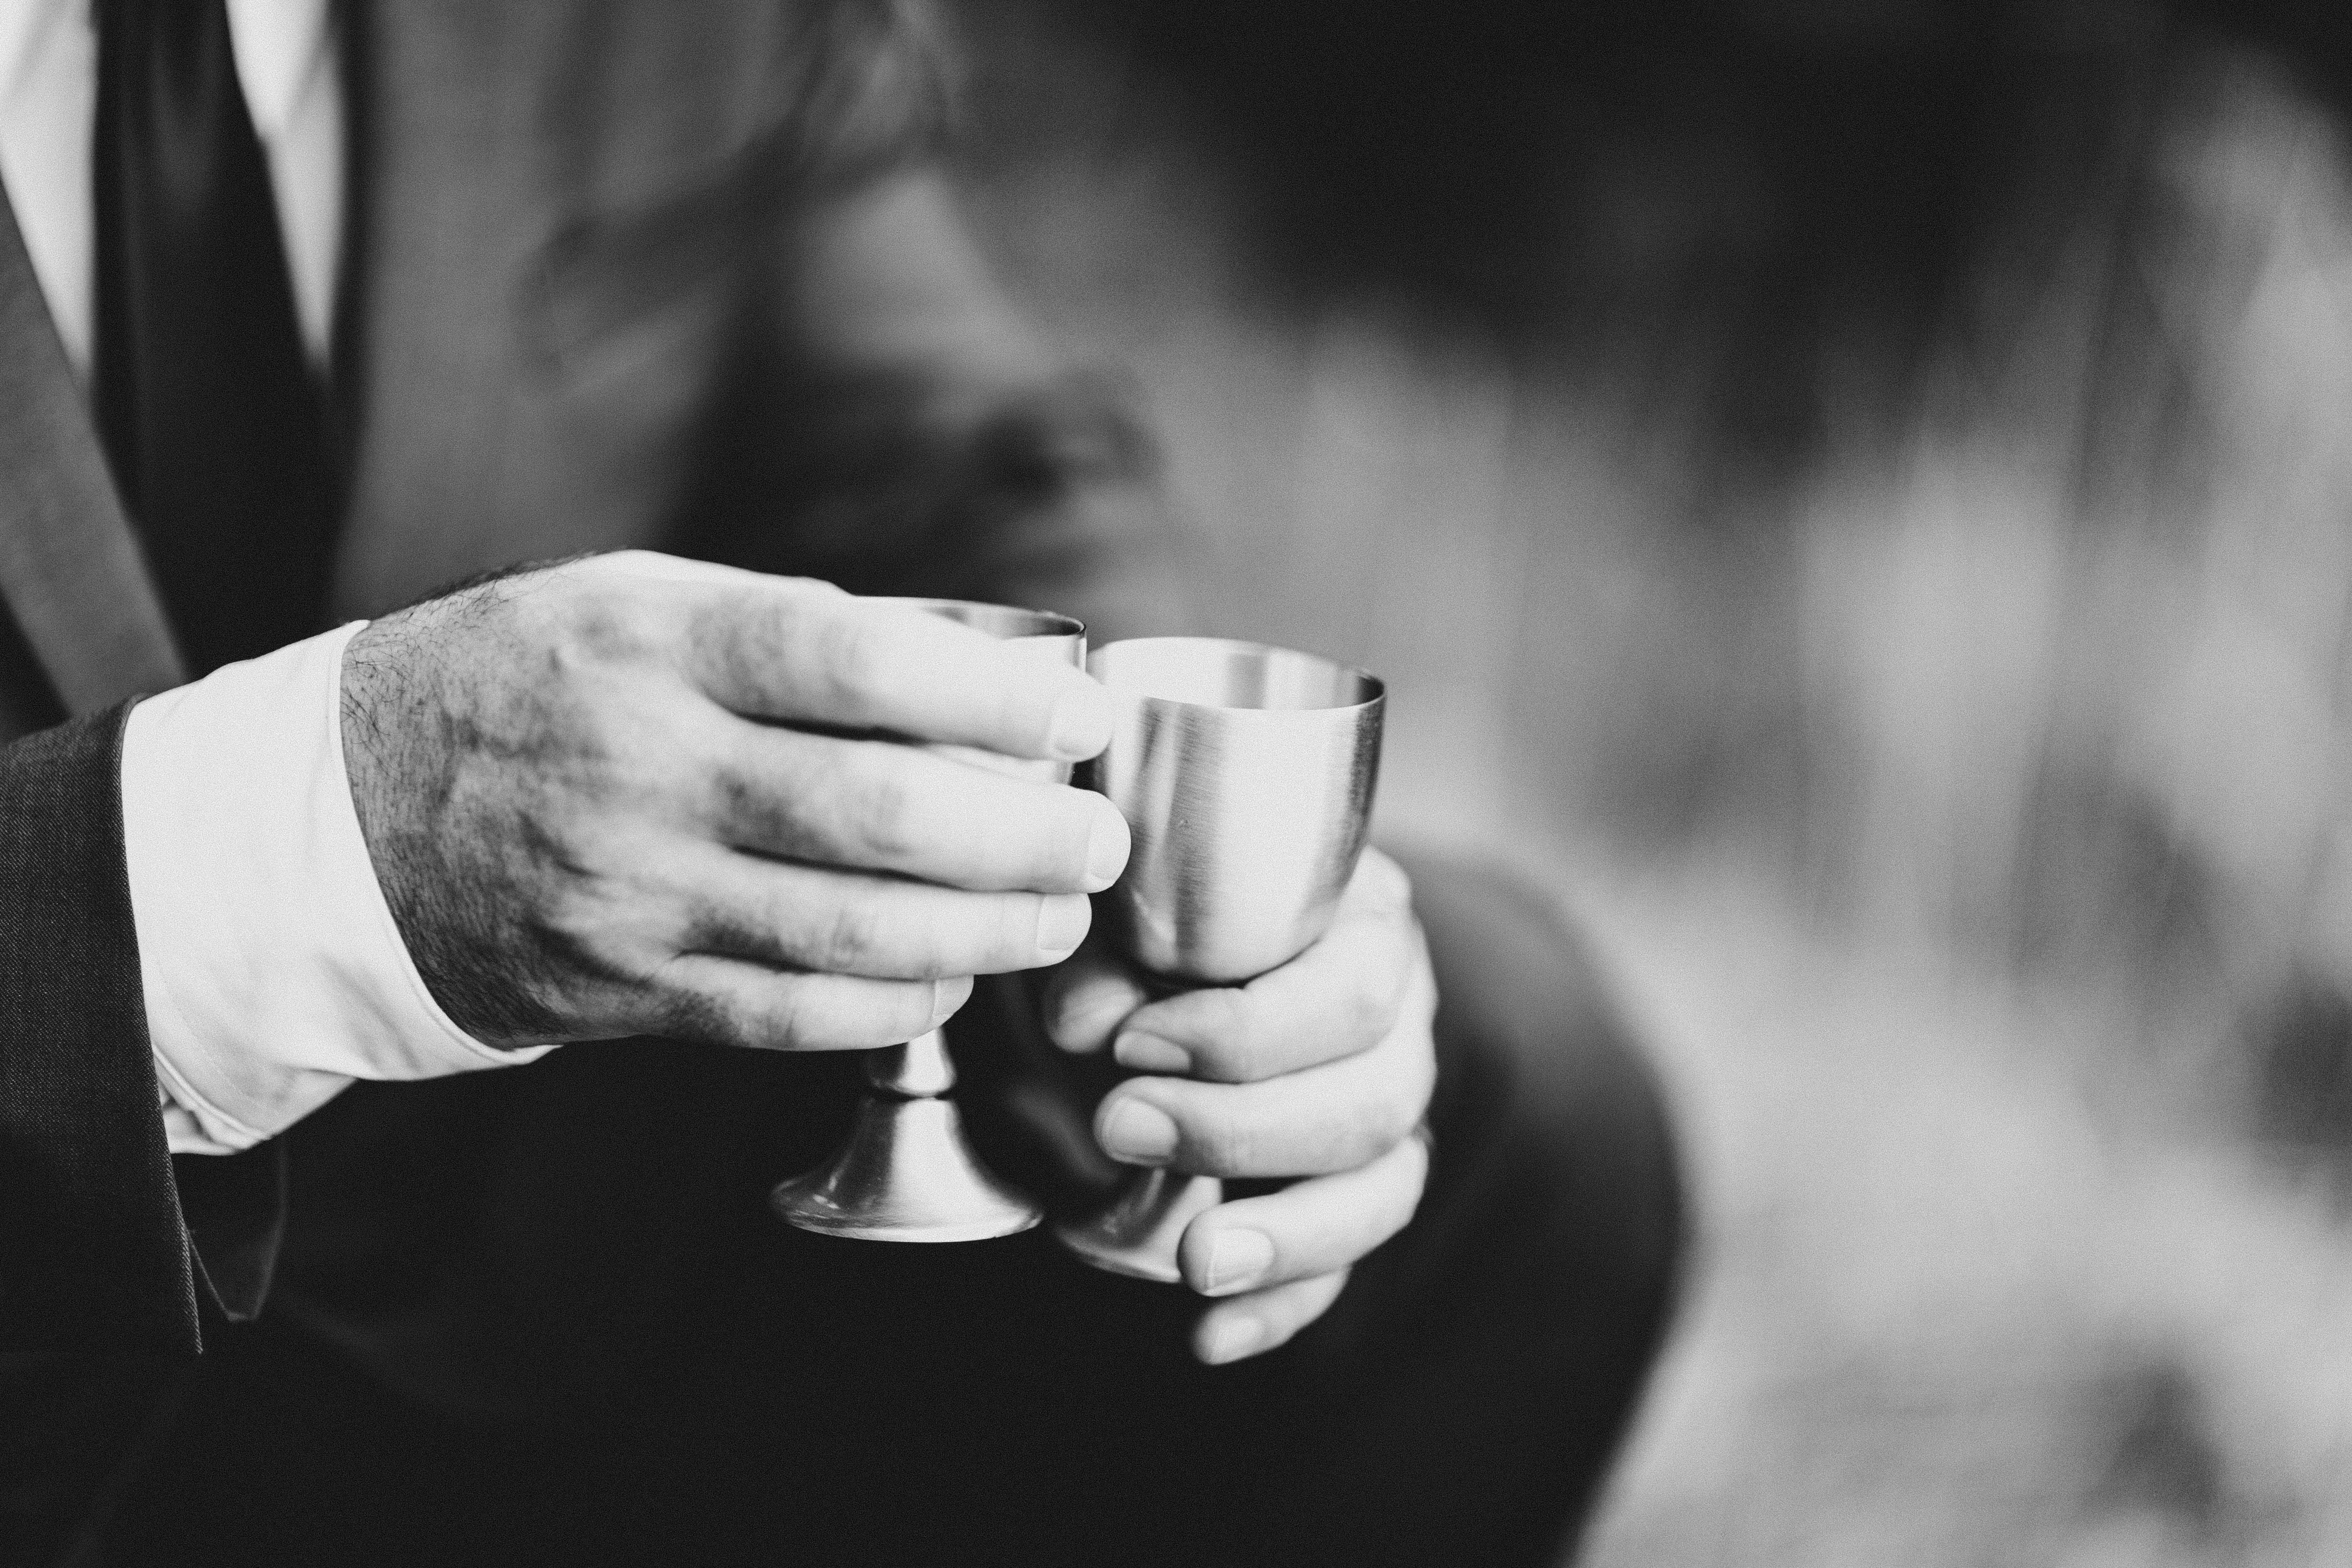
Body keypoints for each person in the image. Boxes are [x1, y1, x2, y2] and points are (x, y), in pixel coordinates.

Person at [0, 2, 1683, 1563]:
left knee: (1523, 1112)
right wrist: (303, 851)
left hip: (560, 1262)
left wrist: (1159, 880)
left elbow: (944, 457)